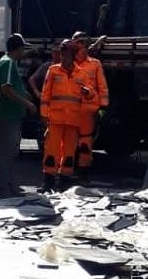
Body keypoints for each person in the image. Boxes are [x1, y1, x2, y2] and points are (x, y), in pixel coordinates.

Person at [39, 39, 95, 192]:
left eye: (67, 55)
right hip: (56, 119)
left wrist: (87, 92)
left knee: (69, 153)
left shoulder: (82, 74)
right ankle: (48, 182)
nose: (64, 59)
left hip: (73, 120)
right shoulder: (53, 71)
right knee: (51, 151)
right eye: (62, 55)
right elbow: (45, 95)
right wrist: (44, 115)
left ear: (73, 56)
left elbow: (91, 92)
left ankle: (64, 181)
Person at [0, 34, 37, 197]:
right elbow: (6, 89)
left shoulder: (8, 62)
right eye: (22, 48)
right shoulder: (8, 63)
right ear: (18, 49)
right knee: (8, 152)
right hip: (8, 115)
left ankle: (10, 184)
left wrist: (24, 94)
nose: (23, 52)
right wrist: (28, 104)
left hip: (11, 115)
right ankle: (4, 187)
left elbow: (12, 87)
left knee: (12, 152)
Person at [72, 32, 109, 175]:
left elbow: (102, 87)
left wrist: (102, 107)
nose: (83, 46)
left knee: (85, 143)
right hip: (70, 110)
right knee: (68, 143)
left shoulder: (94, 64)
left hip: (88, 112)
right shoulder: (67, 63)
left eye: (85, 43)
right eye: (79, 42)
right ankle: (65, 173)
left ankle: (83, 172)